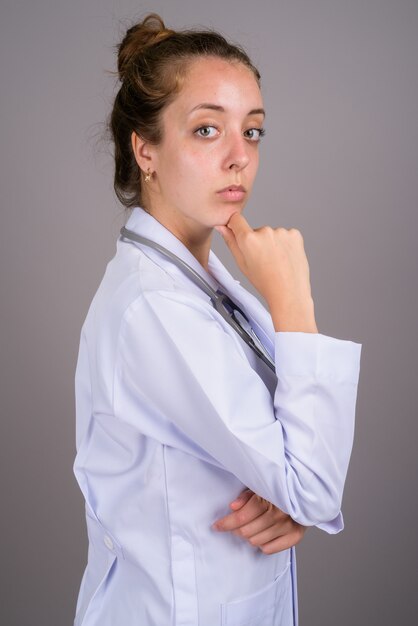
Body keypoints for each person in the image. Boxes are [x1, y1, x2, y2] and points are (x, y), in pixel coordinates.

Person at [73, 13, 362, 626]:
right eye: (207, 129)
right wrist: (294, 302)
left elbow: (292, 471)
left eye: (253, 132)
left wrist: (288, 499)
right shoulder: (153, 305)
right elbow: (311, 482)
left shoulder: (202, 282)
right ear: (145, 149)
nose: (239, 157)